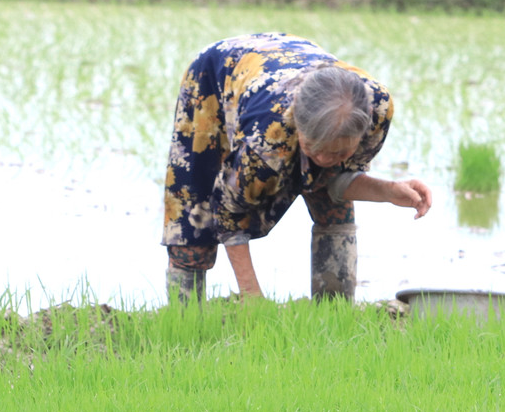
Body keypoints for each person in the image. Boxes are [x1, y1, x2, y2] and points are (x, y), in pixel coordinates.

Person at [162, 32, 430, 303]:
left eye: (339, 152)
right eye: (313, 148)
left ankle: (333, 309)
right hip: (218, 75)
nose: (324, 159)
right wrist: (251, 294)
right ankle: (183, 312)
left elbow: (336, 180)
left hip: (292, 61)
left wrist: (390, 191)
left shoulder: (377, 110)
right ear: (297, 127)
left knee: (331, 202)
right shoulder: (267, 138)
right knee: (194, 206)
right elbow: (229, 211)